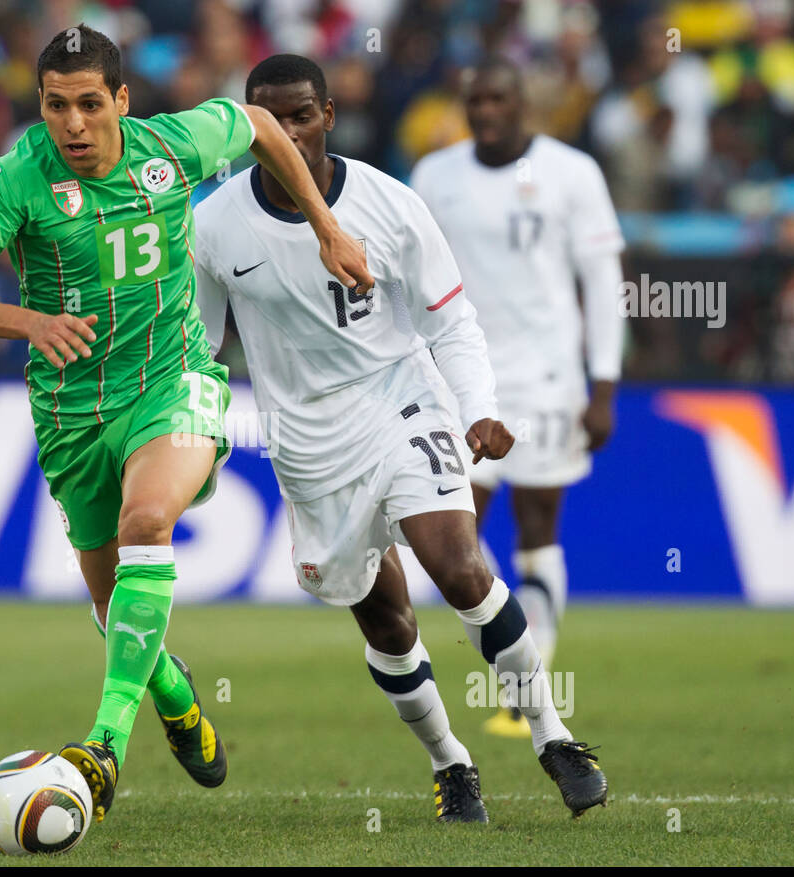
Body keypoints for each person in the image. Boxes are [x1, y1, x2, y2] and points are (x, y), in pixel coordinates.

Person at [0, 26, 372, 823]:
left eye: (91, 104)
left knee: (148, 520)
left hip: (175, 381)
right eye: (56, 106)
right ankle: (171, 691)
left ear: (122, 101)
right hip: (70, 413)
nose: (73, 125)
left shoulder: (171, 146)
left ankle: (103, 747)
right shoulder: (10, 183)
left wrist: (324, 227)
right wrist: (29, 322)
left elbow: (262, 126)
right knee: (109, 603)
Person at [194, 54, 608, 821]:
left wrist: (478, 406)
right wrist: (194, 430)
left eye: (300, 116)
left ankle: (553, 735)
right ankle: (452, 762)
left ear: (328, 117)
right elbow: (201, 348)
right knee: (386, 620)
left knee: (458, 568)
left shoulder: (390, 204)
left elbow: (449, 320)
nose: (284, 132)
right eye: (265, 120)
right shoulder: (213, 224)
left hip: (402, 400)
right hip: (306, 440)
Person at [412, 57, 625, 739]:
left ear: (524, 103)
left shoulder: (572, 173)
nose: (486, 111)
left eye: (500, 98)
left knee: (538, 531)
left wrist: (605, 386)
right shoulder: (435, 176)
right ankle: (518, 658)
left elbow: (603, 284)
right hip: (462, 379)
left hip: (550, 382)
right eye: (476, 100)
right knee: (454, 535)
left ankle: (527, 684)